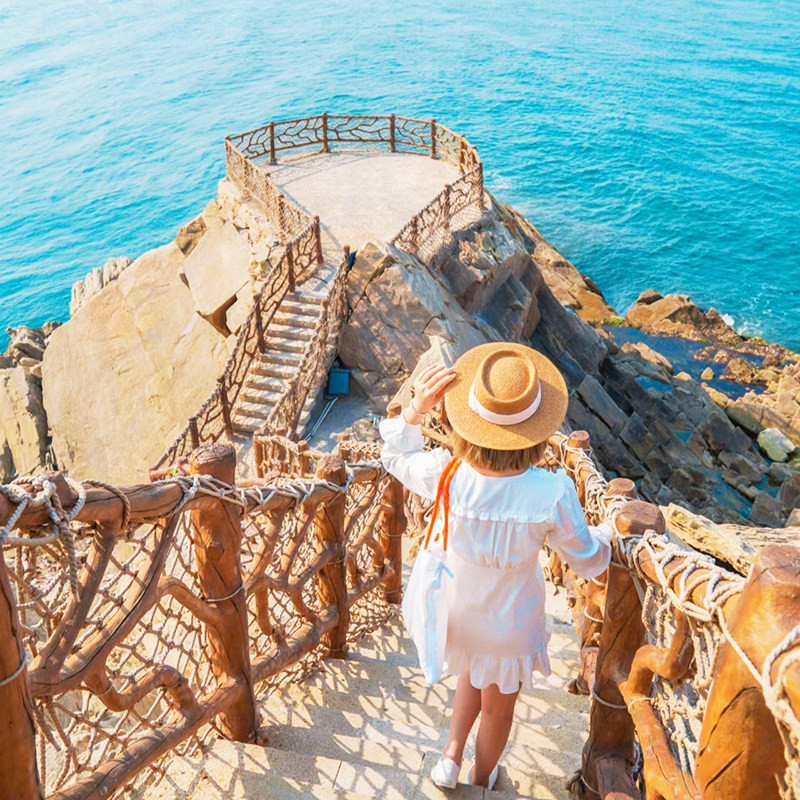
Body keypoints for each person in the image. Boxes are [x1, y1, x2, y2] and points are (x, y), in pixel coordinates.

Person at [379, 342, 613, 790]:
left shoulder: (449, 473)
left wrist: (415, 409)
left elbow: (394, 459)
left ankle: (449, 758)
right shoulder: (551, 491)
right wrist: (610, 534)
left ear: (469, 422)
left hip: (460, 612)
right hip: (510, 622)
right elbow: (588, 559)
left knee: (470, 676)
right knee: (499, 709)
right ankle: (481, 778)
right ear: (535, 433)